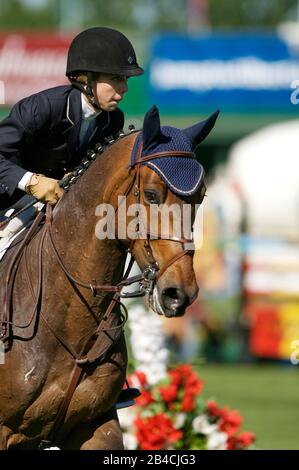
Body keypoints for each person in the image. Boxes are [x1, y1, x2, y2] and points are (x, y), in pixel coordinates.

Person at [0, 27, 143, 254]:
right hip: (6, 200)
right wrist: (30, 181)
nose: (124, 88)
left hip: (47, 210)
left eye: (124, 79)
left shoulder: (112, 120)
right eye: (116, 78)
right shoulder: (43, 107)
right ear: (87, 79)